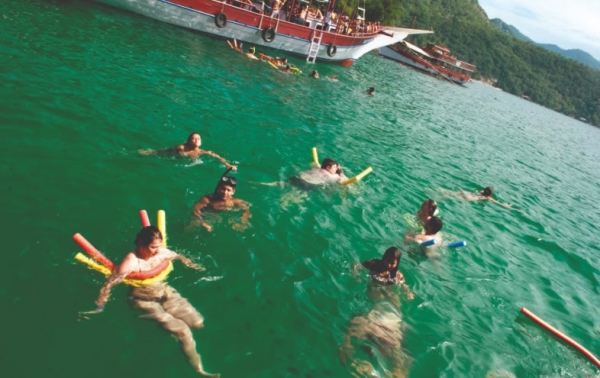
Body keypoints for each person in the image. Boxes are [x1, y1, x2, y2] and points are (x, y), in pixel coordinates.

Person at [78, 226, 219, 377]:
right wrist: (99, 306)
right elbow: (108, 284)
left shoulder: (161, 253)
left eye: (158, 246)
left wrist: (193, 266)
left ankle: (170, 331)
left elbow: (179, 256)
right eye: (153, 247)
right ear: (141, 244)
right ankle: (199, 369)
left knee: (198, 322)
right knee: (183, 331)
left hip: (164, 291)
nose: (157, 250)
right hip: (142, 299)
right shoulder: (131, 262)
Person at [339, 302, 409, 378]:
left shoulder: (397, 349)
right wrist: (354, 363)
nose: (389, 338)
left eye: (395, 333)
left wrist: (373, 373)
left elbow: (400, 374)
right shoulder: (362, 327)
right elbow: (344, 354)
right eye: (385, 329)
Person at [143, 132, 236, 170]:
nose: (196, 140)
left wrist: (227, 164)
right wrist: (151, 152)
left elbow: (217, 157)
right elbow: (167, 150)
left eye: (199, 138)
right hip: (175, 161)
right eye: (193, 138)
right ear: (188, 141)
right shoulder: (182, 147)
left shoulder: (201, 152)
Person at [437, 186, 513, 209]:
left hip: (466, 193)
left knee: (449, 192)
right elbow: (498, 203)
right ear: (489, 195)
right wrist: (508, 207)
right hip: (469, 198)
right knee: (449, 198)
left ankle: (435, 190)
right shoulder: (487, 198)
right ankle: (438, 199)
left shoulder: (481, 191)